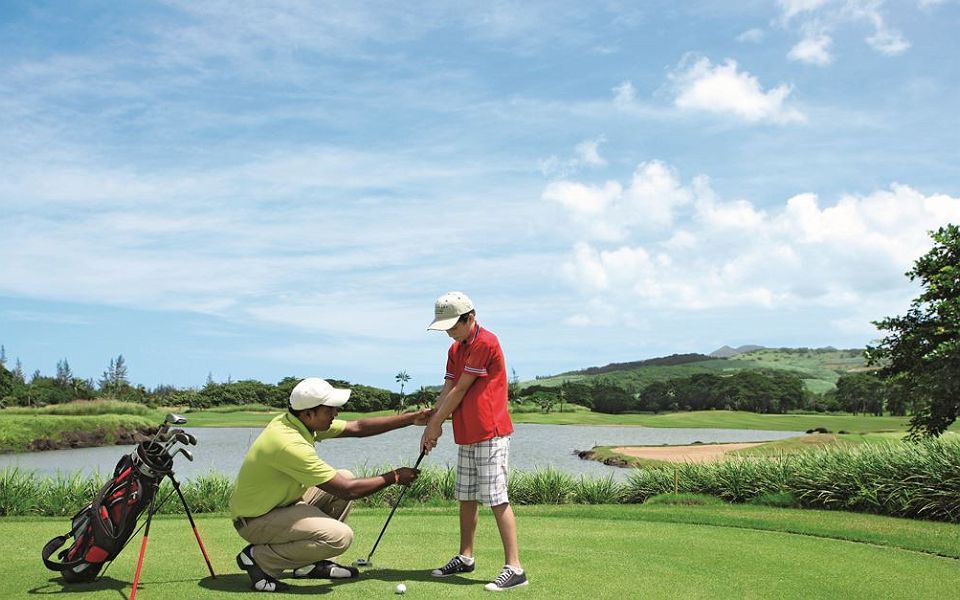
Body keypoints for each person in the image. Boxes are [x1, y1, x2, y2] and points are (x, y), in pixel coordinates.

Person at [230, 377, 430, 592]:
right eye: (330, 410)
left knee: (344, 475)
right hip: (255, 520)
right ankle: (259, 558)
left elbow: (358, 427)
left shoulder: (295, 421)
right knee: (340, 536)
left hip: (279, 505)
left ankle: (313, 564)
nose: (336, 413)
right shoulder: (289, 443)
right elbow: (348, 490)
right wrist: (395, 477)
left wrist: (412, 418)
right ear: (309, 413)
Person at [420, 291, 528, 592]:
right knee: (466, 496)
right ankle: (466, 557)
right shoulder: (456, 349)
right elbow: (447, 388)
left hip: (490, 431)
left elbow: (460, 391)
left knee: (496, 497)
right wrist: (431, 424)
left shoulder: (485, 341)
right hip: (467, 432)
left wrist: (436, 424)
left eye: (454, 326)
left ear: (471, 318)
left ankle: (515, 567)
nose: (450, 333)